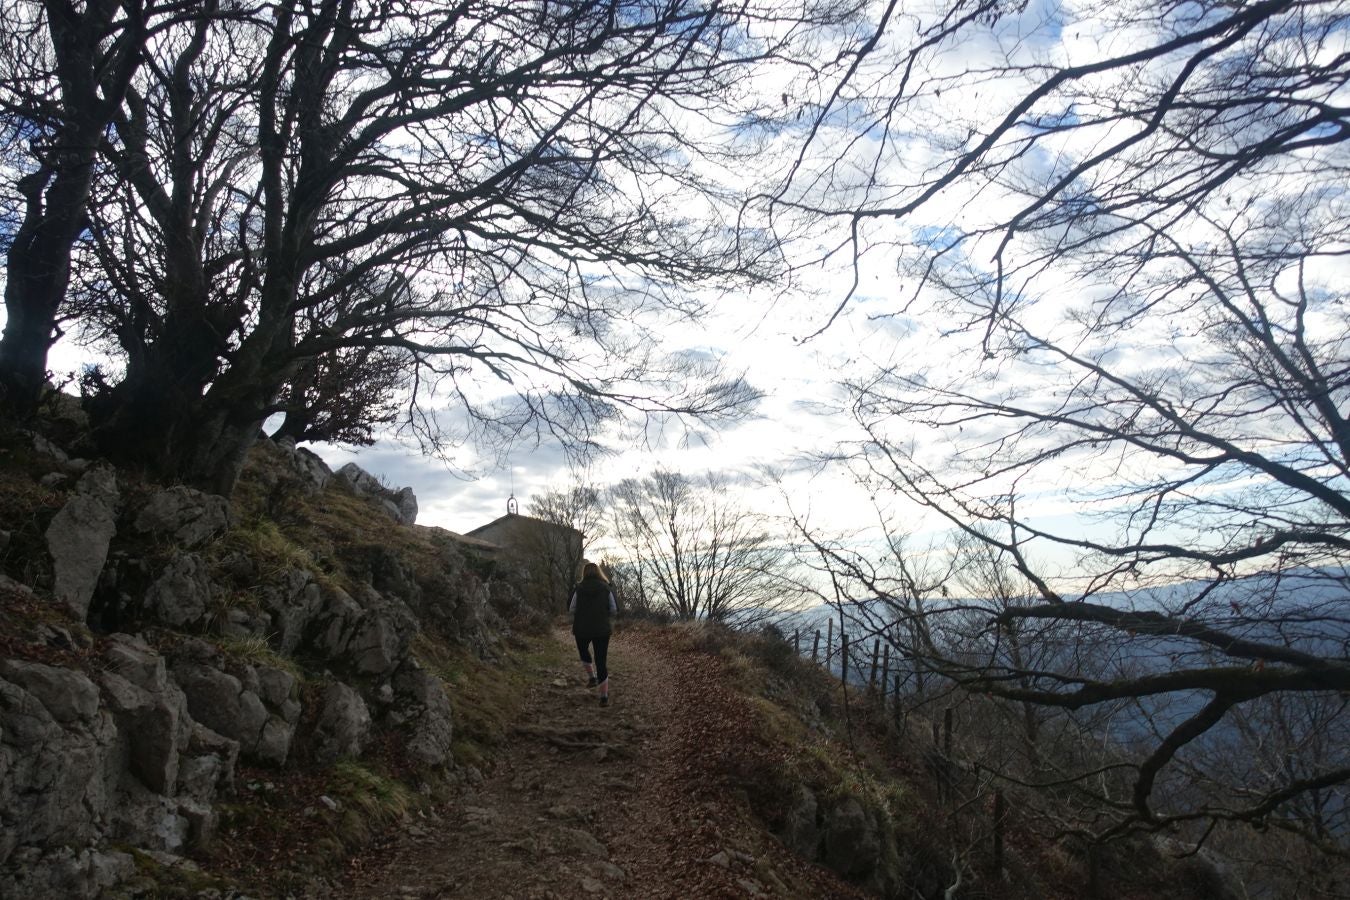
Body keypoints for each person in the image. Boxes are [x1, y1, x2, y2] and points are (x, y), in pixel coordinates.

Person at [569, 562, 617, 707]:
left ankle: (591, 677)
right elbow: (614, 609)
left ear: (584, 573)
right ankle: (603, 697)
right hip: (602, 629)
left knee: (584, 652)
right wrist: (604, 615)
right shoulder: (606, 588)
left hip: (582, 628)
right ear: (598, 572)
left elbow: (571, 609)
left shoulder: (578, 589)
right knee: (601, 661)